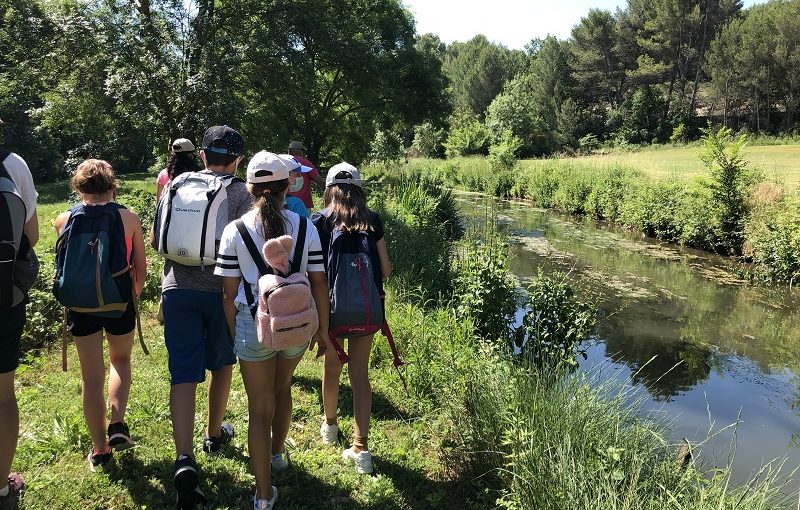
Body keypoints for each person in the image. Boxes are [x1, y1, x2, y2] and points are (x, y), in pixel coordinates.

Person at [216, 151, 330, 510]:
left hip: (254, 325)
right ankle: (278, 453)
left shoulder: (234, 231)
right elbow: (319, 281)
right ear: (287, 187)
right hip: (296, 322)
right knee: (283, 388)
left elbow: (228, 293)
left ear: (249, 189)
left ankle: (263, 496)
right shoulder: (305, 226)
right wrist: (323, 331)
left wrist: (236, 332)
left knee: (258, 408)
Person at [152, 126, 252, 508]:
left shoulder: (175, 184)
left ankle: (184, 458)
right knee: (222, 365)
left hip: (176, 288)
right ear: (238, 158)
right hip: (220, 294)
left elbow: (155, 238)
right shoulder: (241, 193)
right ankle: (213, 433)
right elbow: (244, 246)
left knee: (183, 374)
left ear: (204, 155)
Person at [54, 159, 147, 471]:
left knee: (91, 379)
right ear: (112, 186)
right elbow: (141, 271)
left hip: (80, 305)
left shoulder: (63, 219)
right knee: (120, 360)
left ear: (78, 188)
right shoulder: (129, 218)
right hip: (118, 300)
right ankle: (118, 424)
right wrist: (131, 295)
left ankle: (99, 451)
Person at [312, 163, 391, 475]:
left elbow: (314, 271)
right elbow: (385, 269)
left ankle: (330, 428)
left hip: (330, 310)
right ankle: (361, 448)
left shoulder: (319, 220)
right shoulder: (372, 221)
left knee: (331, 369)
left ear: (329, 188)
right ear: (359, 188)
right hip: (366, 310)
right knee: (360, 376)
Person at [0, 148, 38, 507]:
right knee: (2, 394)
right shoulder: (11, 163)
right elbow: (32, 236)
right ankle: (1, 487)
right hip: (3, 297)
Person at [286, 141, 324, 209]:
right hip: (303, 204)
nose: (303, 153)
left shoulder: (281, 163)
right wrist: (327, 191)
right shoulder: (306, 163)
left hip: (284, 204)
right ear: (297, 150)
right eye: (302, 150)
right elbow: (319, 180)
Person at [277, 154, 311, 218]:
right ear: (286, 176)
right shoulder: (296, 204)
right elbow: (307, 227)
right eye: (297, 174)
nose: (301, 177)